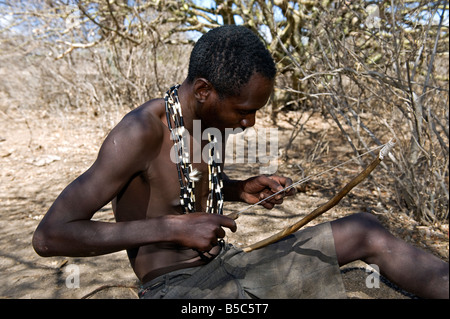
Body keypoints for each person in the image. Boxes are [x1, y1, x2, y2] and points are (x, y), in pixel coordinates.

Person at [32, 25, 449, 299]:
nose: (249, 123)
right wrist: (169, 228)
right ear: (204, 89)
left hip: (228, 265)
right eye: (244, 110)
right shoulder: (140, 132)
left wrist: (236, 188)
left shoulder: (206, 119)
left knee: (366, 229)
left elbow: (177, 185)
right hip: (179, 293)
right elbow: (50, 237)